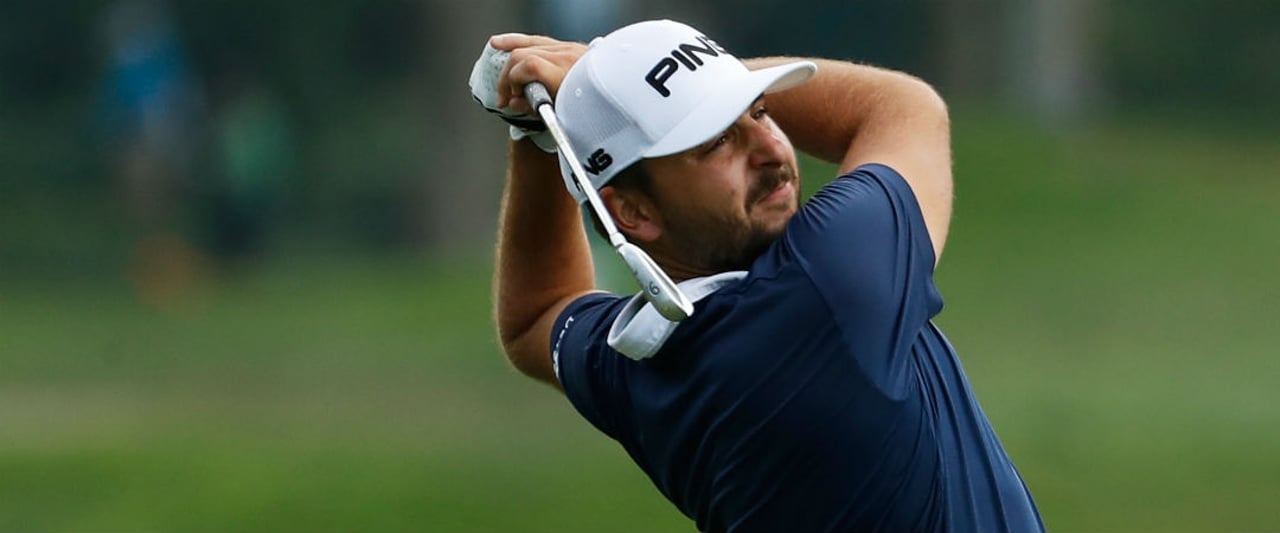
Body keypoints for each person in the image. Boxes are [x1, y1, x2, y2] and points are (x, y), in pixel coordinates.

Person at [475, 19, 1044, 533]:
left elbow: (535, 317)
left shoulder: (636, 361)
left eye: (761, 111)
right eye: (716, 140)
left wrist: (547, 130)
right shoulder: (825, 287)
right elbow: (903, 107)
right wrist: (609, 81)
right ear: (633, 214)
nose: (772, 148)